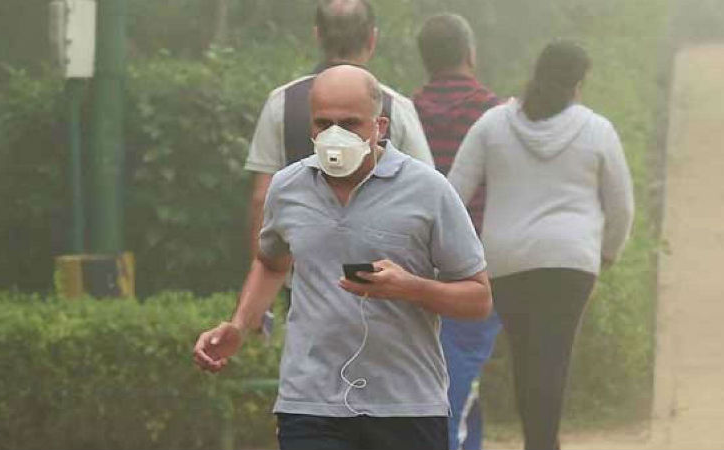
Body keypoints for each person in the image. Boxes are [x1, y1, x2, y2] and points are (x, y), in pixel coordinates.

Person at [194, 65, 492, 450]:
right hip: (310, 402)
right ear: (311, 127)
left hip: (405, 405)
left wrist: (410, 287)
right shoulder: (288, 187)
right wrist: (239, 325)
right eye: (324, 123)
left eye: (350, 123)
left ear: (379, 126)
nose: (335, 136)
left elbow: (479, 299)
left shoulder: (429, 190)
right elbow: (271, 263)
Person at [447, 40, 635, 450]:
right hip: (571, 263)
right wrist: (607, 253)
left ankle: (540, 441)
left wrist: (455, 256)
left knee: (526, 357)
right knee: (553, 356)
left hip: (505, 262)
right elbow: (621, 206)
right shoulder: (596, 130)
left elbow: (451, 195)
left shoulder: (492, 125)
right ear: (579, 82)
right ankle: (543, 443)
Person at [244, 0, 433, 263]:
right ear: (372, 38)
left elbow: (261, 198)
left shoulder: (281, 102)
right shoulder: (396, 107)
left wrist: (261, 273)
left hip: (300, 274)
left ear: (318, 36)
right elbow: (424, 195)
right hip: (380, 273)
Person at [412, 13, 502, 450]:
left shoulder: (402, 113)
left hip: (417, 263)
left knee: (446, 369)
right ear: (470, 53)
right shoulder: (496, 113)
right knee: (461, 366)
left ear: (426, 60)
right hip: (478, 262)